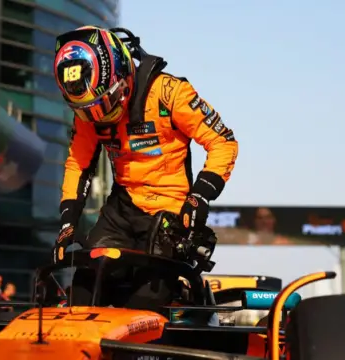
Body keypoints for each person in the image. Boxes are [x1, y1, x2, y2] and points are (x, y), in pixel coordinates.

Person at [51, 26, 239, 310]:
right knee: (84, 290)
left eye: (105, 103)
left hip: (170, 211)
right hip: (121, 208)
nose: (97, 116)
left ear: (122, 72)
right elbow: (78, 164)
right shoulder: (90, 114)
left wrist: (200, 196)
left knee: (143, 306)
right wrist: (67, 223)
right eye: (87, 110)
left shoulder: (169, 93)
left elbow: (223, 141)